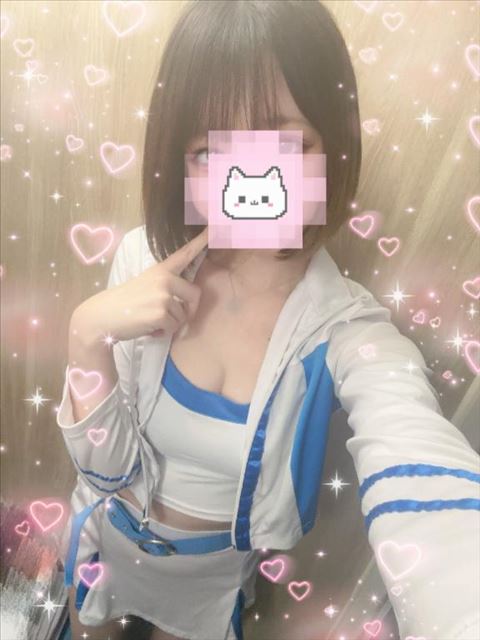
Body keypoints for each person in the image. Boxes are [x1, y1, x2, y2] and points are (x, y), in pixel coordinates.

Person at [56, 2, 480, 640]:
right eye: (211, 149)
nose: (250, 177)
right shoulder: (142, 259)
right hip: (107, 540)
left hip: (209, 577)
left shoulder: (348, 333)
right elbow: (104, 468)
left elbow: (421, 466)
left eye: (285, 143)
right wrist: (86, 333)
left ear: (334, 146)